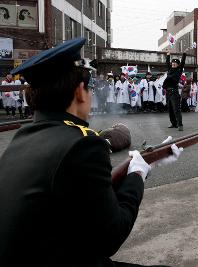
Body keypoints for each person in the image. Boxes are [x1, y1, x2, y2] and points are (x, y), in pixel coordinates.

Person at [0, 37, 181, 267]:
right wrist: (137, 175)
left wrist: (145, 164)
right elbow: (110, 236)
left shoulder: (21, 138)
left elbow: (82, 198)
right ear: (79, 92)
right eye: (90, 88)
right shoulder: (84, 145)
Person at [163, 49, 186, 131]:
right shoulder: (170, 70)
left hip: (174, 92)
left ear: (177, 65)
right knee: (170, 109)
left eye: (175, 63)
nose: (173, 64)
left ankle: (180, 125)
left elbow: (182, 63)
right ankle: (173, 123)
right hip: (168, 92)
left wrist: (184, 54)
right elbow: (167, 63)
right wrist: (168, 54)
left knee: (176, 109)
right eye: (172, 63)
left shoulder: (178, 71)